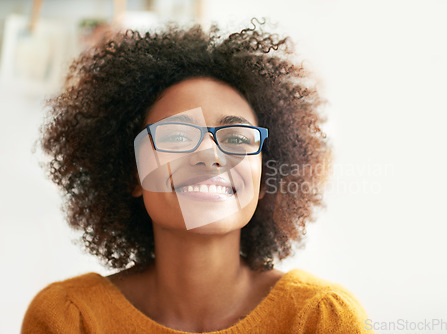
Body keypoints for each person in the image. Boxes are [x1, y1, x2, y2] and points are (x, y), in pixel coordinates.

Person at [22, 20, 371, 333]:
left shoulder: (322, 320)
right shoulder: (70, 319)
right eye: (176, 136)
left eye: (237, 138)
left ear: (266, 177)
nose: (210, 154)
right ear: (132, 173)